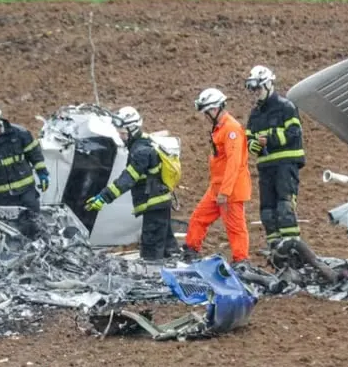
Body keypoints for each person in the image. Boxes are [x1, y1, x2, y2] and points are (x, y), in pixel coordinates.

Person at [84, 106, 179, 261]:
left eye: (122, 132)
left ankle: (155, 279)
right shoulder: (143, 144)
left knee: (151, 250)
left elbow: (127, 179)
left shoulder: (141, 151)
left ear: (132, 129)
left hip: (154, 205)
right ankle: (175, 272)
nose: (120, 136)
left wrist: (103, 198)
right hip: (159, 205)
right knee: (168, 247)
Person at [180, 88, 252, 267]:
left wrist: (225, 192)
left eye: (206, 112)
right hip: (217, 188)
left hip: (230, 190)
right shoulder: (220, 128)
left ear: (214, 109)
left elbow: (234, 164)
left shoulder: (231, 129)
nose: (205, 116)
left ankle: (241, 262)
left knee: (235, 228)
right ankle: (190, 252)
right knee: (198, 218)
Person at [244, 65, 305, 253]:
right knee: (267, 212)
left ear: (269, 84)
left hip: (286, 165)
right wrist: (253, 145)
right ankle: (275, 250)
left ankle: (292, 248)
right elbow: (248, 139)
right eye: (254, 90)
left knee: (285, 208)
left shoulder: (286, 106)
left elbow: (294, 133)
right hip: (266, 167)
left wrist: (268, 138)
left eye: (258, 89)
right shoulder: (255, 114)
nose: (256, 93)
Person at [0, 102, 50, 212]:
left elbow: (35, 155)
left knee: (33, 224)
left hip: (26, 194)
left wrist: (42, 173)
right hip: (0, 199)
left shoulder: (20, 134)